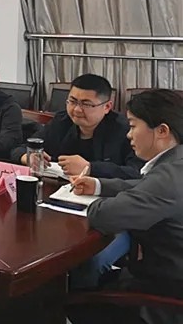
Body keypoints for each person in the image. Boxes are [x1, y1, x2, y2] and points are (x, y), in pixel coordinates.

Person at [70, 89, 183, 324]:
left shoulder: (168, 177)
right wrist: (99, 185)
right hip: (167, 274)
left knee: (71, 295)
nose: (129, 135)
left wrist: (98, 203)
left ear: (162, 131)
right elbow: (146, 187)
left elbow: (104, 216)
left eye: (133, 126)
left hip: (164, 297)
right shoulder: (176, 164)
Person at [11, 74, 143, 179]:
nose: (77, 110)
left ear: (107, 107)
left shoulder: (126, 130)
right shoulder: (62, 121)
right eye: (72, 101)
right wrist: (29, 156)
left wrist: (90, 168)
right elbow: (19, 149)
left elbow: (137, 171)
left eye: (86, 104)